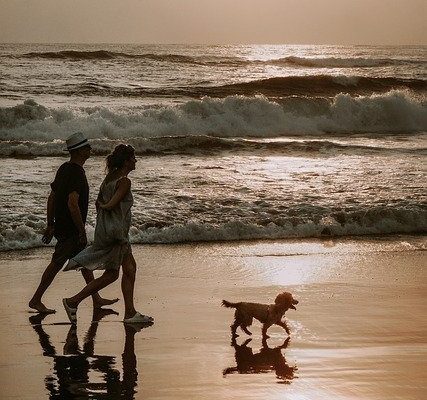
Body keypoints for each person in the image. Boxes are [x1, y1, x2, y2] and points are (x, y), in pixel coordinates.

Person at [62, 144, 153, 325]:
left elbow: (98, 202)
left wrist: (103, 208)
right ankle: (73, 301)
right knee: (112, 274)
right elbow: (111, 204)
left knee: (130, 269)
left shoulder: (109, 179)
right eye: (133, 158)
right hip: (117, 232)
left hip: (107, 230)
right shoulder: (125, 181)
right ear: (126, 161)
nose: (136, 161)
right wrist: (107, 207)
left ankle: (130, 312)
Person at [29, 132, 118, 313]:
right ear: (79, 151)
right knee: (56, 263)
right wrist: (81, 231)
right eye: (87, 147)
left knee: (84, 262)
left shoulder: (64, 168)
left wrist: (50, 224)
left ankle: (96, 298)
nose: (90, 149)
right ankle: (36, 299)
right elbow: (72, 203)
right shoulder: (76, 173)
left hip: (62, 225)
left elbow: (52, 197)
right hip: (70, 229)